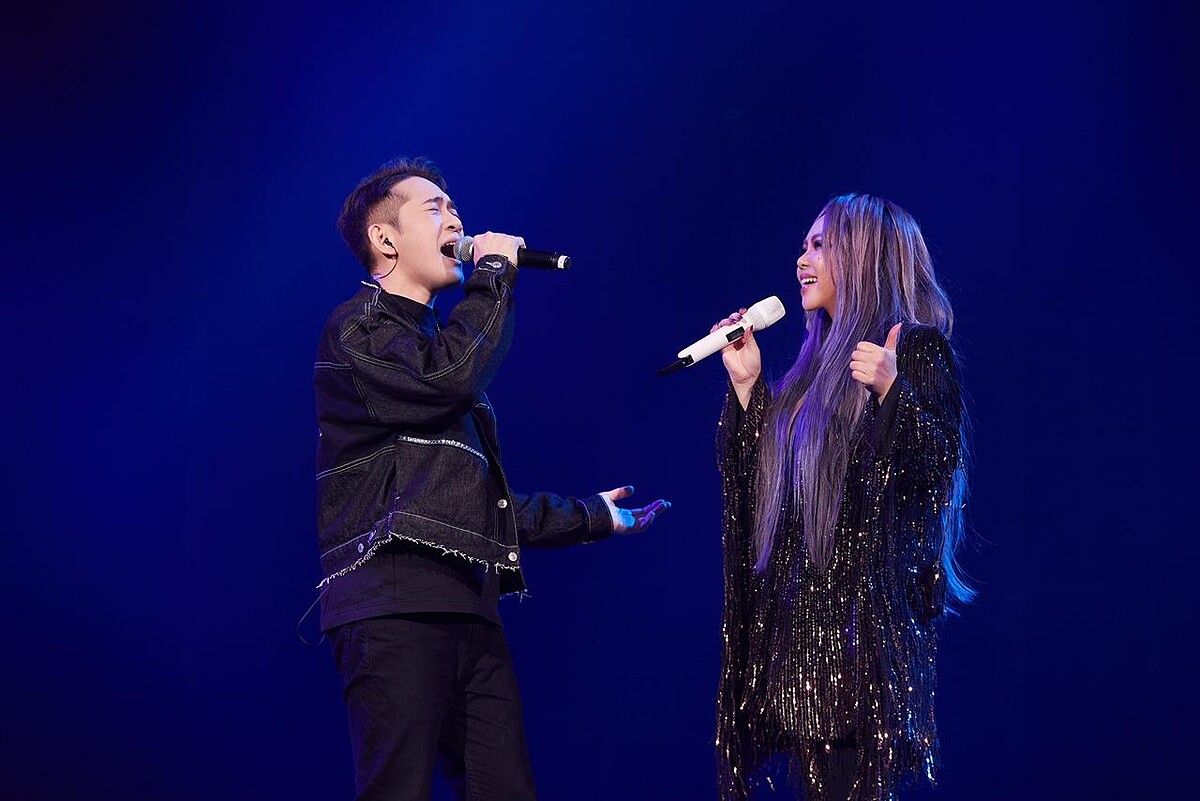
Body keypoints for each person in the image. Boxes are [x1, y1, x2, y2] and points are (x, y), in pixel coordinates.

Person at [314, 156, 670, 801]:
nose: (456, 221)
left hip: (468, 604)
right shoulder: (358, 329)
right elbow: (447, 379)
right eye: (435, 209)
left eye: (455, 208)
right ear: (384, 238)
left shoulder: (439, 350)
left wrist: (592, 515)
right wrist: (495, 276)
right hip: (394, 600)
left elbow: (477, 504)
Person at [713, 194, 971, 801]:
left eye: (820, 245)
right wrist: (748, 389)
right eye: (803, 246)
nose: (802, 259)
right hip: (799, 642)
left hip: (860, 646)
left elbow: (935, 474)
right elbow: (763, 503)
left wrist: (893, 391)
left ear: (864, 255)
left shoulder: (911, 348)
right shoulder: (809, 372)